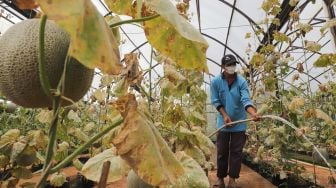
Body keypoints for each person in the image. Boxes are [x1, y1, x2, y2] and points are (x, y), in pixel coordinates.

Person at [211, 54, 260, 188]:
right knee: (222, 152)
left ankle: (232, 179)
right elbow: (216, 101)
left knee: (236, 152)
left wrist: (253, 113)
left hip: (239, 124)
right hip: (223, 123)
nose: (232, 67)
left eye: (233, 64)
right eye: (229, 65)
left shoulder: (242, 81)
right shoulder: (215, 82)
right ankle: (220, 178)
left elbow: (246, 100)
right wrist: (225, 115)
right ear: (223, 66)